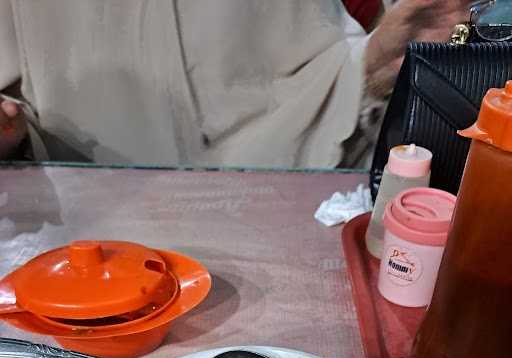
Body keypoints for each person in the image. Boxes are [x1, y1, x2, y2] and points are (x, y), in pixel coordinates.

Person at [0, 0, 474, 168]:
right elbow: (15, 105)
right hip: (81, 208)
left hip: (270, 189)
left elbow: (329, 71)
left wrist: (376, 64)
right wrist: (11, 133)